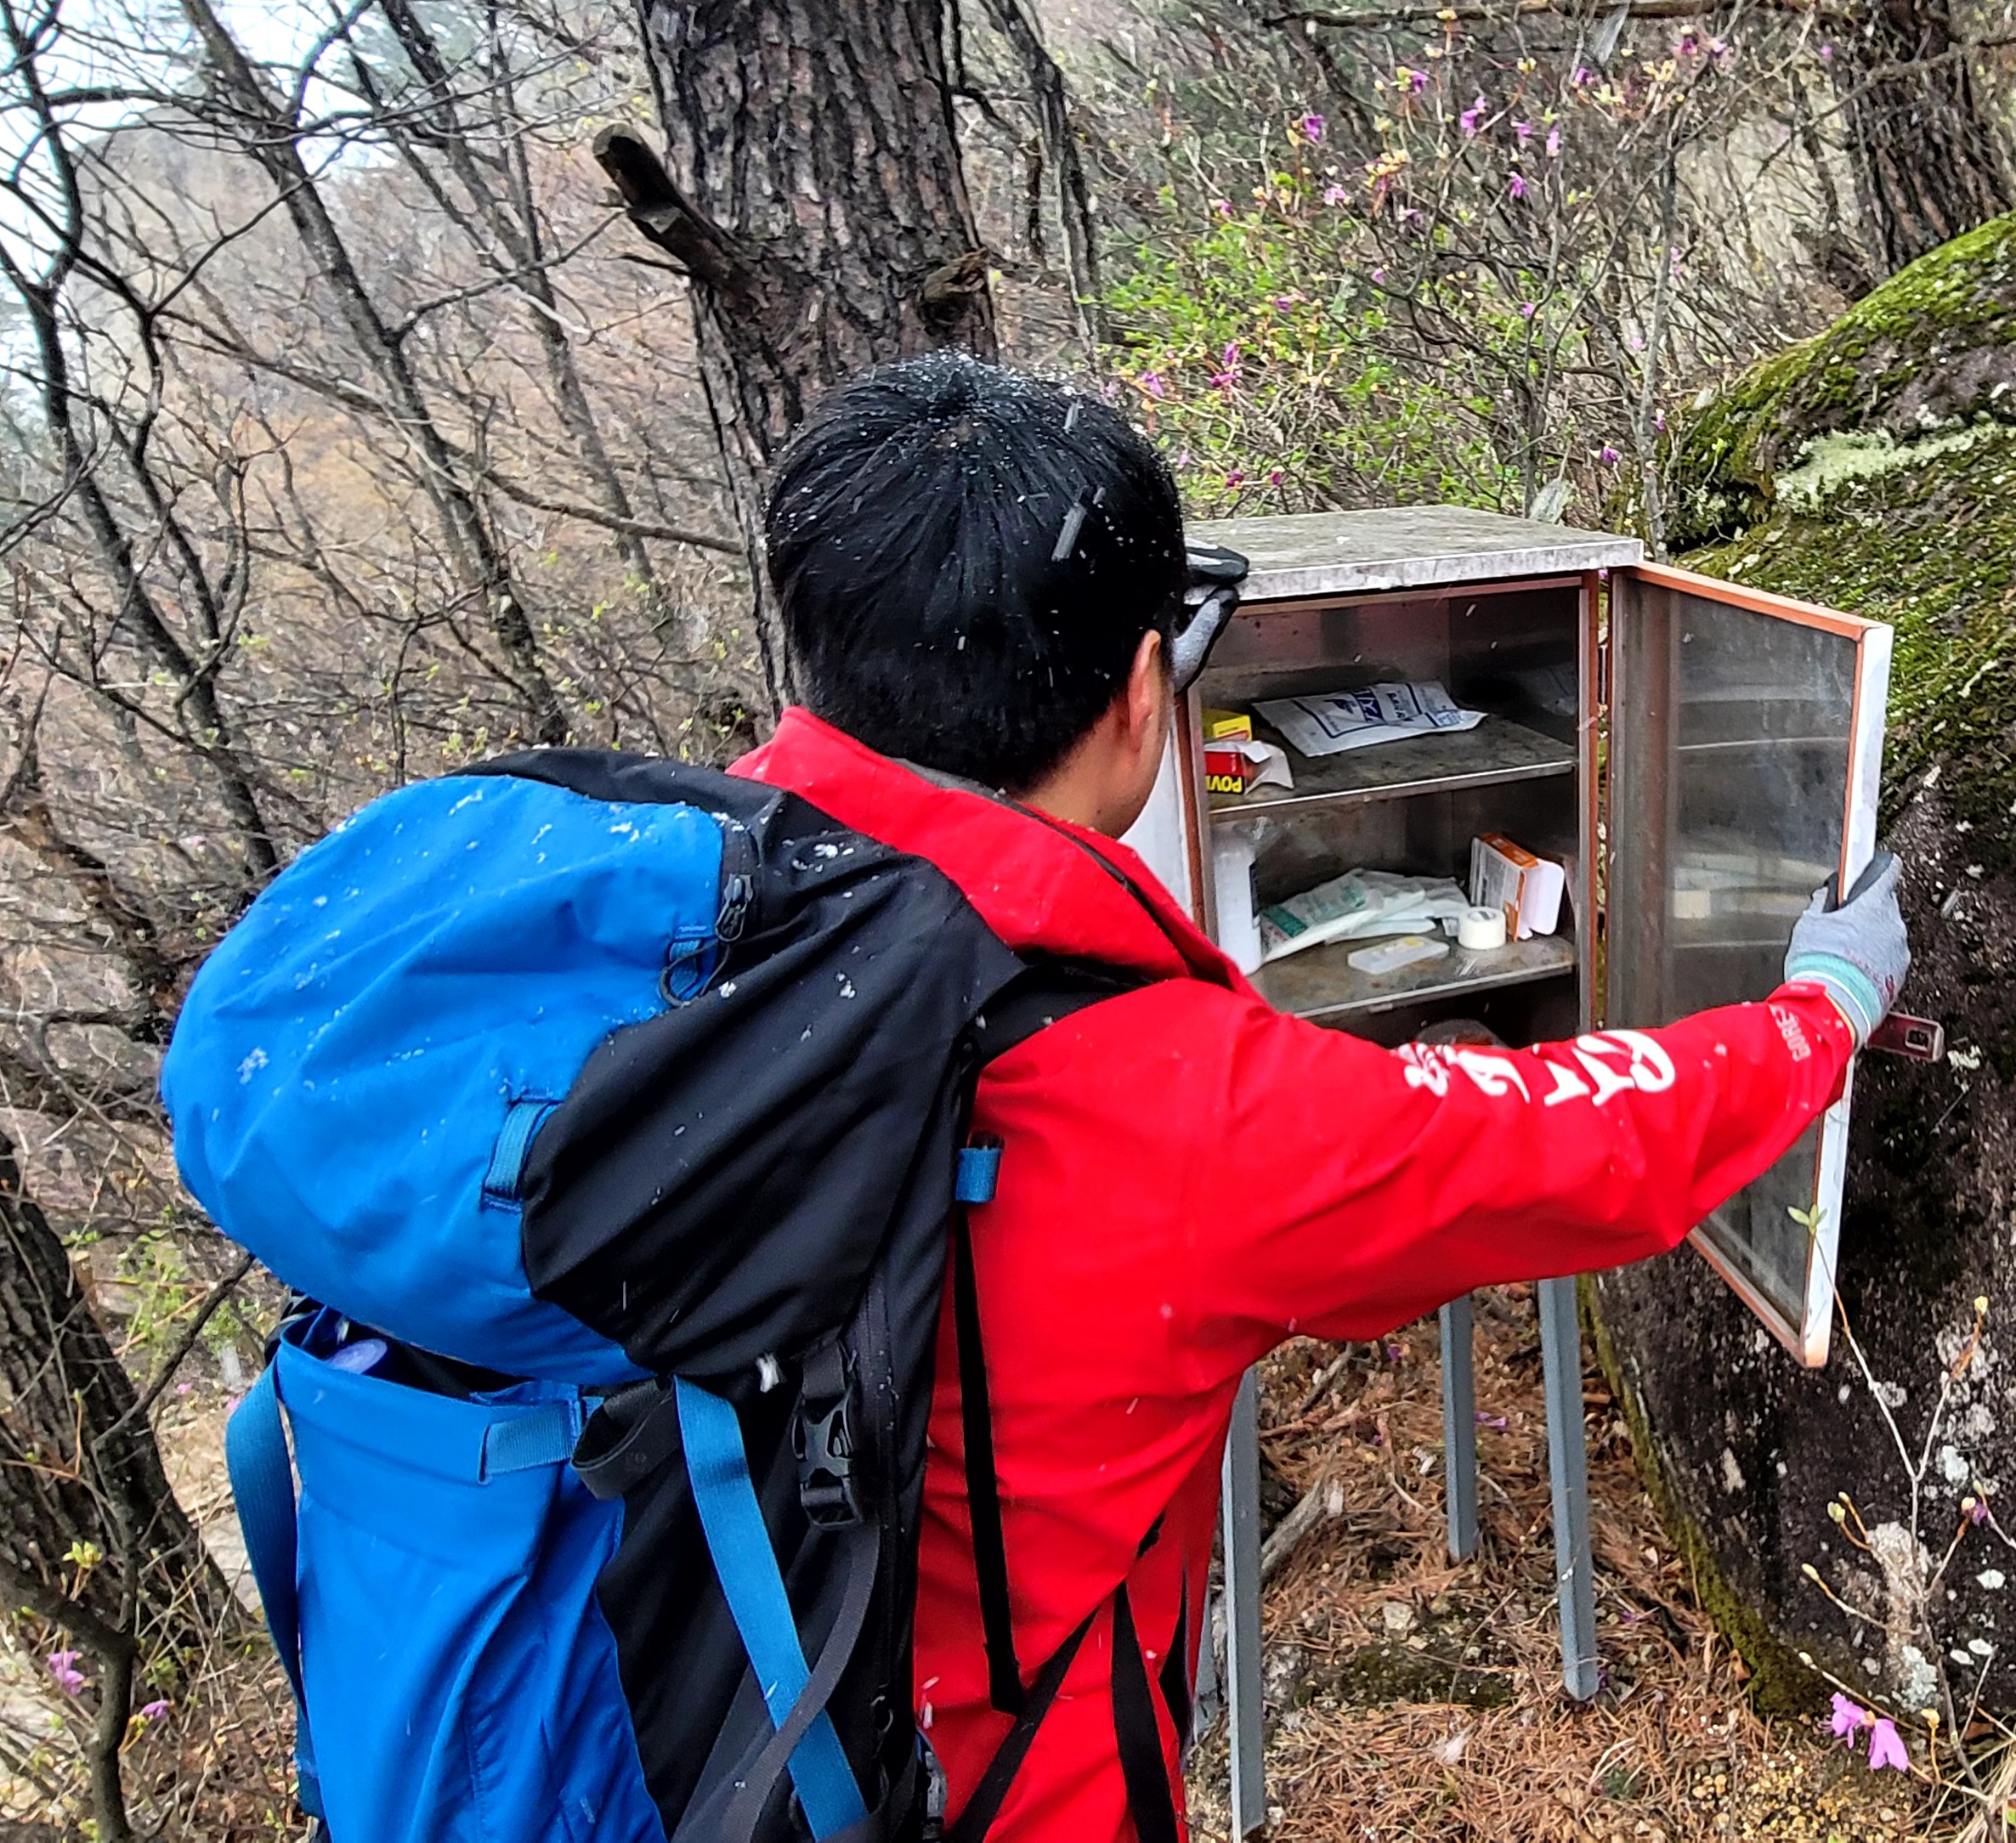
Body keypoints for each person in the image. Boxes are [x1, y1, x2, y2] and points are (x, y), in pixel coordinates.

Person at [712, 352, 1906, 1837]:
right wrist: (1816, 1014)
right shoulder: (1161, 1101)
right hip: (992, 1784)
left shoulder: (684, 910)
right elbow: (1558, 1148)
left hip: (665, 1725)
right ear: (1144, 692)